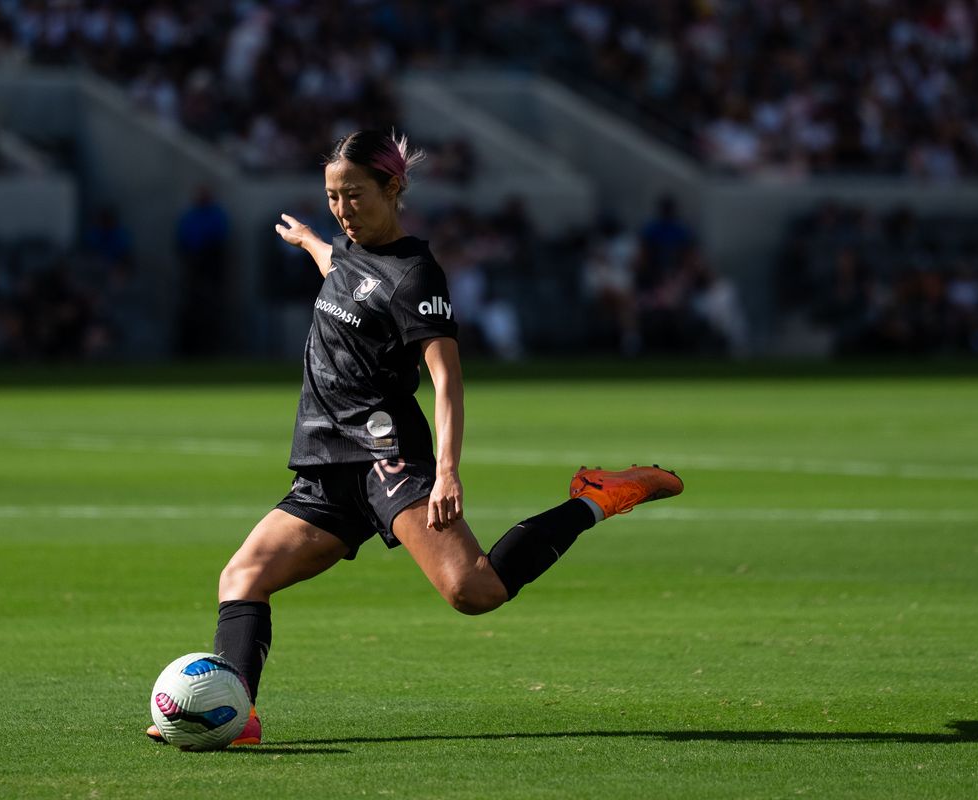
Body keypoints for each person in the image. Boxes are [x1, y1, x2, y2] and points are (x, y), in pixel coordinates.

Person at [147, 130, 684, 748]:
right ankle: (237, 717)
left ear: (393, 189)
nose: (342, 209)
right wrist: (309, 242)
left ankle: (595, 497)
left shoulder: (416, 275)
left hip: (386, 459)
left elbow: (446, 378)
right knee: (241, 577)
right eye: (332, 197)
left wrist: (448, 471)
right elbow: (340, 271)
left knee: (474, 591)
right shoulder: (345, 250)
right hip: (325, 467)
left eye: (354, 196)